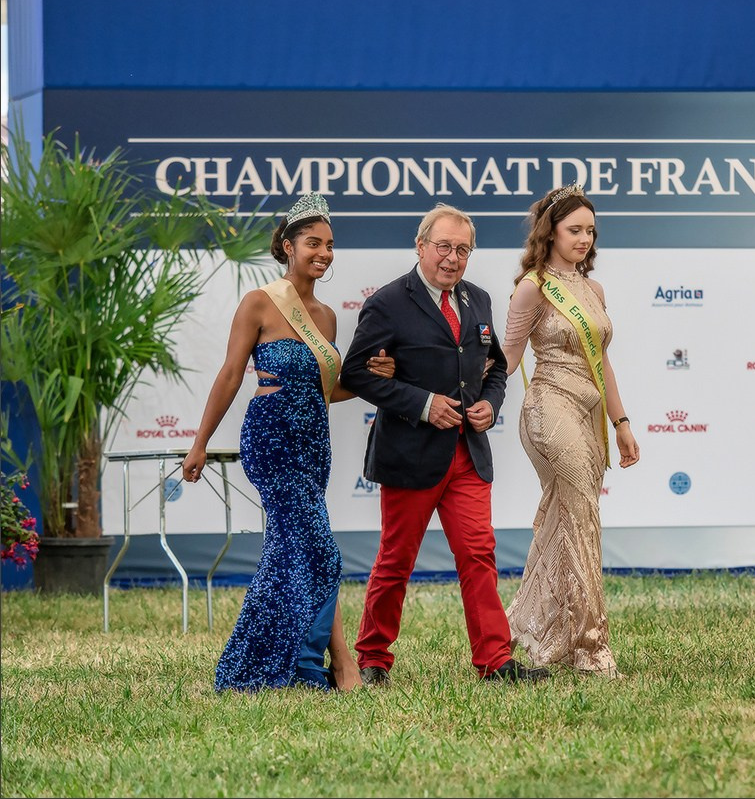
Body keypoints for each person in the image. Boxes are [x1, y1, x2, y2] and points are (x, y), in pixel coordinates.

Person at [182, 192, 394, 693]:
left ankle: (289, 666)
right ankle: (341, 664)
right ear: (287, 245)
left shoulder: (326, 317)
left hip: (314, 442)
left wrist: (372, 378)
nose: (323, 252)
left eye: (329, 244)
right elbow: (232, 374)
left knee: (290, 551)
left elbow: (329, 391)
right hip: (272, 439)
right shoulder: (260, 301)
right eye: (313, 243)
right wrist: (199, 444)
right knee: (320, 550)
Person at [340, 203, 550, 686]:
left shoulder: (477, 299)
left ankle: (495, 662)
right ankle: (372, 658)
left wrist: (490, 405)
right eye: (443, 247)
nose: (452, 258)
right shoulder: (387, 302)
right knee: (396, 559)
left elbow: (496, 367)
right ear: (421, 246)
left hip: (467, 455)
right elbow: (355, 373)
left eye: (462, 249)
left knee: (479, 554)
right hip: (410, 454)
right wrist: (421, 403)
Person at [500, 183, 640, 678]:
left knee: (571, 517)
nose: (584, 238)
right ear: (550, 232)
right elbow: (507, 358)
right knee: (581, 515)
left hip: (590, 412)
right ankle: (590, 645)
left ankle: (532, 627)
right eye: (574, 229)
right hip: (548, 408)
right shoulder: (533, 287)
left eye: (590, 231)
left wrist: (621, 423)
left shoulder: (592, 290)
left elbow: (602, 361)